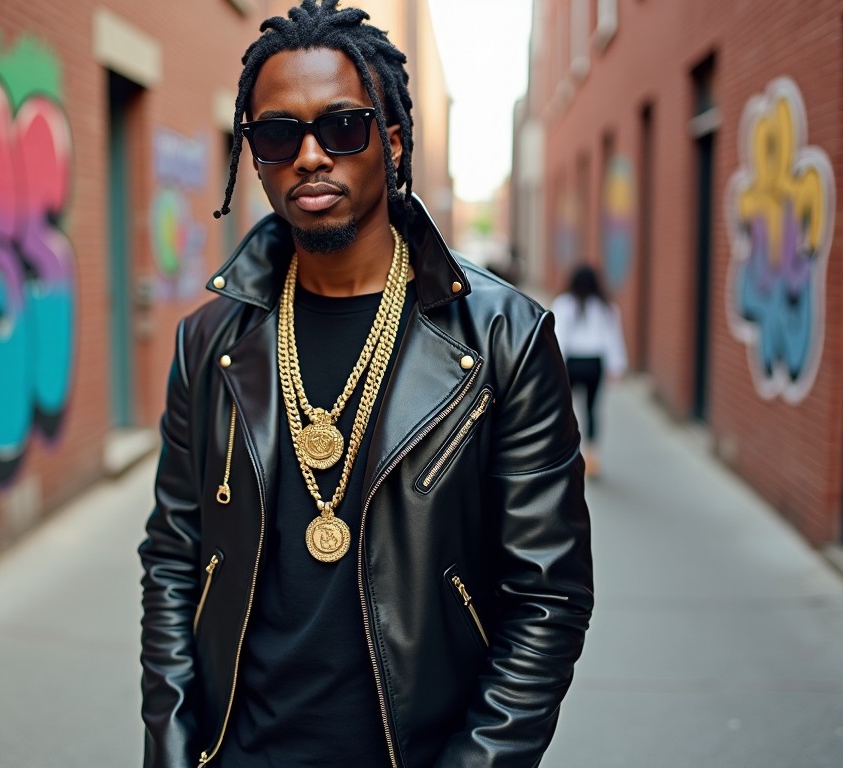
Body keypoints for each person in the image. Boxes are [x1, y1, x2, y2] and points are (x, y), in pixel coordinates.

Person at [138, 2, 593, 766]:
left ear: (392, 140)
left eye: (342, 127)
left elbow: (547, 596)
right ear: (254, 157)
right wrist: (172, 745)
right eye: (279, 135)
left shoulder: (504, 340)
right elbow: (175, 560)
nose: (311, 156)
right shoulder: (209, 342)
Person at [551, 264, 627, 478]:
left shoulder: (564, 304)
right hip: (595, 364)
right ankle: (592, 457)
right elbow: (613, 339)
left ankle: (564, 451)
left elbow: (559, 337)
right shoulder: (606, 307)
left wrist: (556, 366)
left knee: (566, 408)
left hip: (573, 363)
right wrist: (616, 366)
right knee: (592, 409)